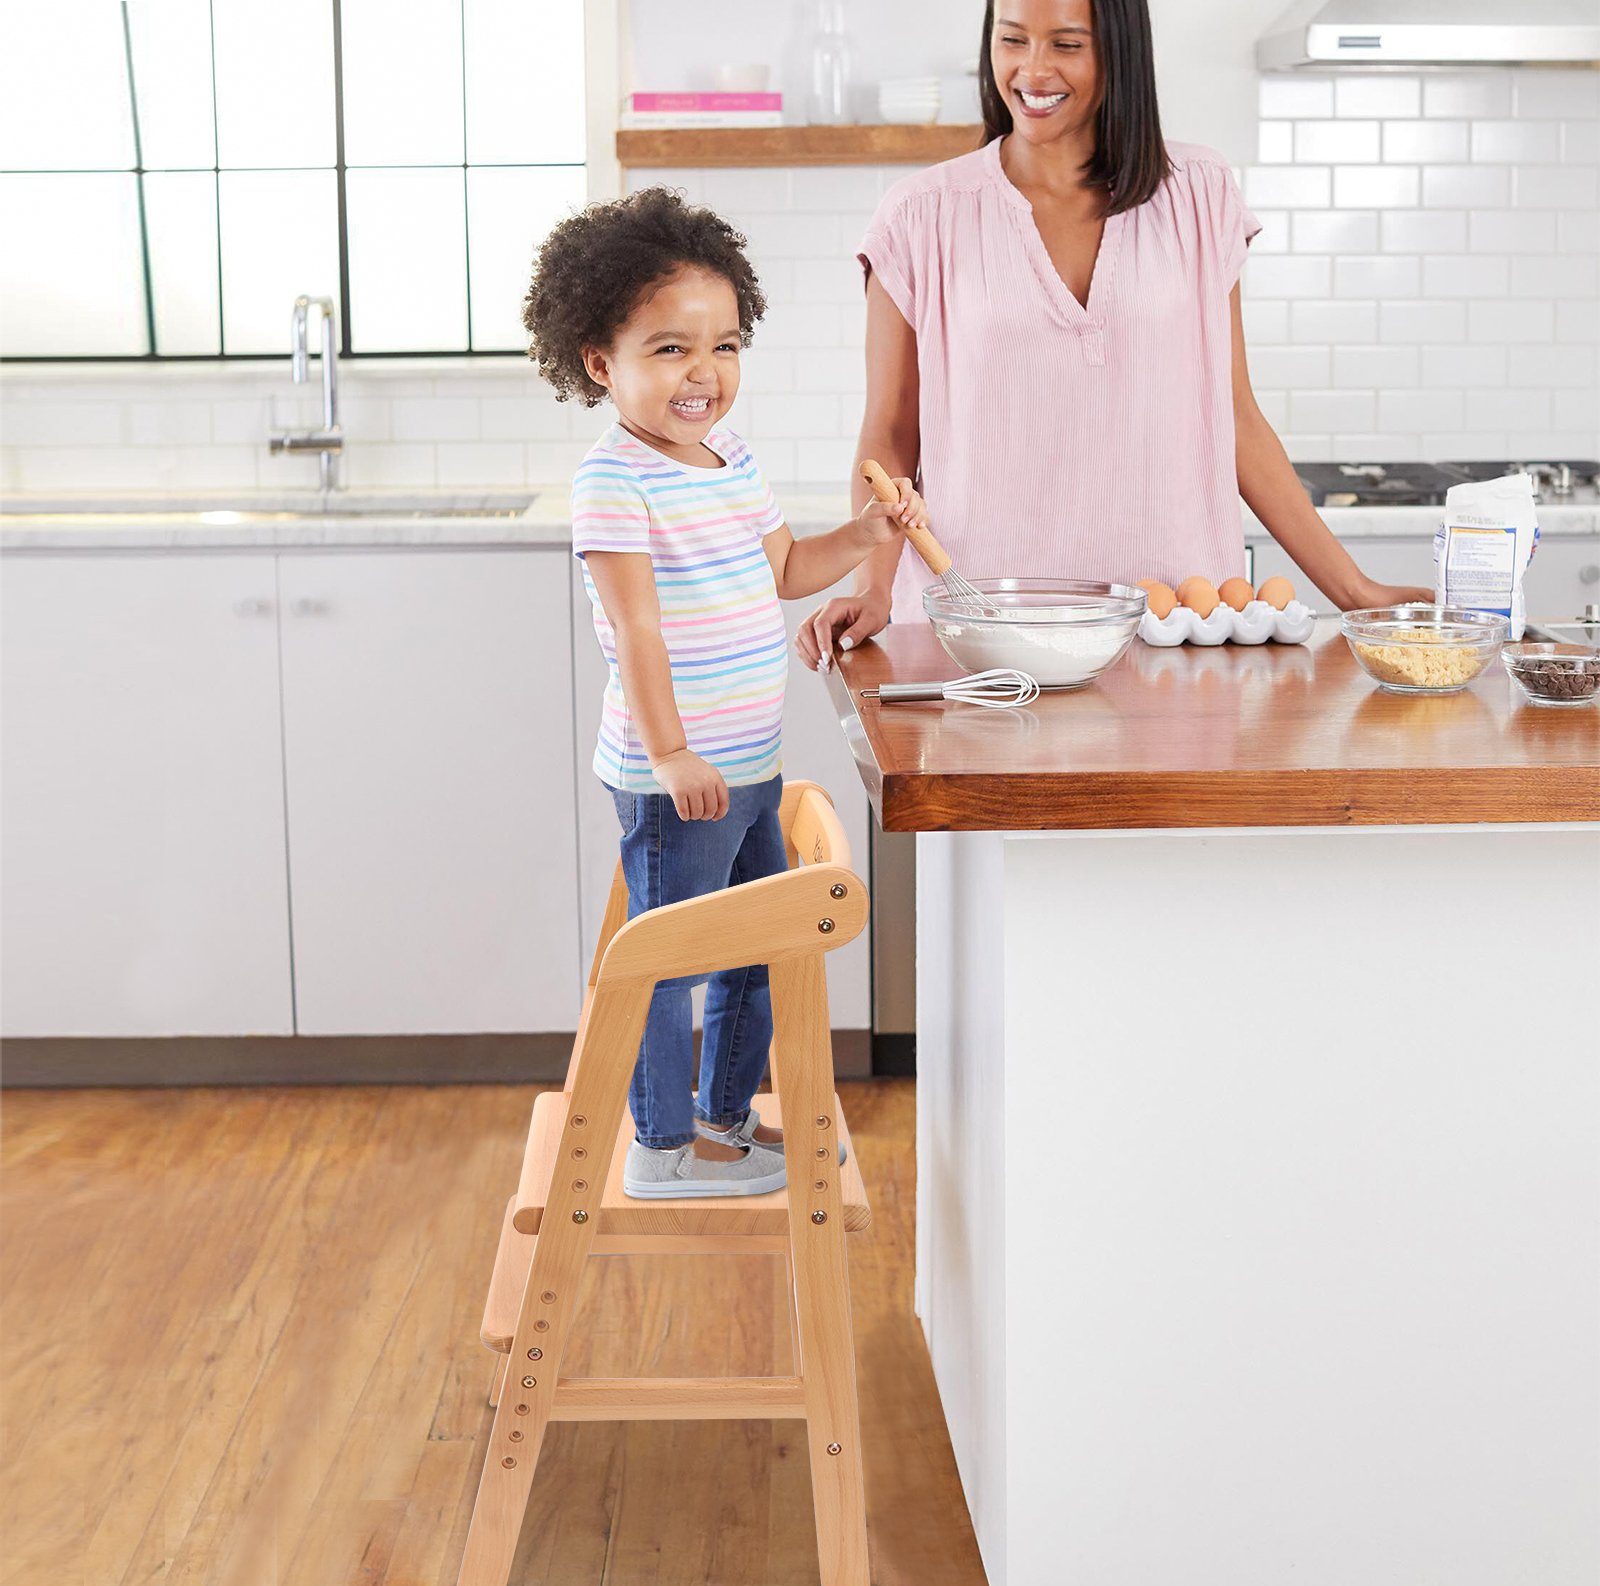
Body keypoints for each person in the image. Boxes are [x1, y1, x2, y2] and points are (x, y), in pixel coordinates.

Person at [796, 0, 1428, 672]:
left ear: (1118, 54)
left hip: (1182, 631)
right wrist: (873, 588)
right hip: (984, 640)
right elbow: (892, 432)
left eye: (1066, 44)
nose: (1032, 70)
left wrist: (1355, 591)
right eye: (1012, 40)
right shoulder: (920, 215)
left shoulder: (1199, 196)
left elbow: (1233, 419)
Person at [524, 188, 926, 1199]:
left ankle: (724, 1120)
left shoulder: (729, 456)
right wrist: (669, 754)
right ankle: (661, 1149)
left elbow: (785, 568)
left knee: (753, 946)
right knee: (667, 959)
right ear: (599, 362)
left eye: (723, 345)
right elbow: (636, 627)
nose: (702, 373)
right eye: (667, 350)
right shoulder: (614, 481)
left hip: (747, 758)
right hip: (679, 775)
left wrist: (870, 540)